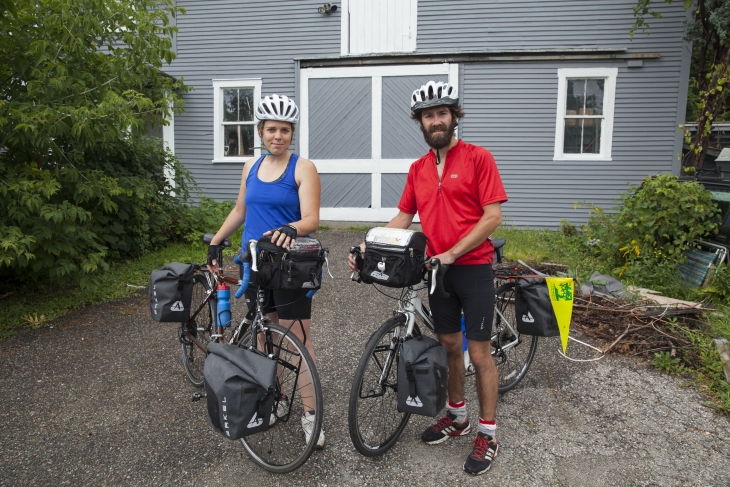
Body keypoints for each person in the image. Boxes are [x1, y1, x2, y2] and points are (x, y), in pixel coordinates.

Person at [348, 81, 507, 475]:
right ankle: (457, 417)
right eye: (428, 115)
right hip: (438, 272)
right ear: (419, 122)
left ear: (454, 117)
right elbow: (403, 217)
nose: (436, 121)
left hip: (471, 268)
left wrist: (453, 252)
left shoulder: (478, 158)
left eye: (442, 113)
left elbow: (493, 216)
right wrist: (371, 247)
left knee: (480, 352)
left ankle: (488, 434)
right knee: (450, 344)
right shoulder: (418, 168)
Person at [206, 94, 325, 449]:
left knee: (298, 342)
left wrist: (293, 228)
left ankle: (311, 415)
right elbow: (241, 209)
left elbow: (312, 219)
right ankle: (277, 400)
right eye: (271, 129)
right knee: (264, 337)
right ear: (260, 131)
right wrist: (216, 240)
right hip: (255, 264)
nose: (278, 135)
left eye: (285, 130)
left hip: (288, 267)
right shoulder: (250, 167)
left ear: (292, 133)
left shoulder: (303, 168)